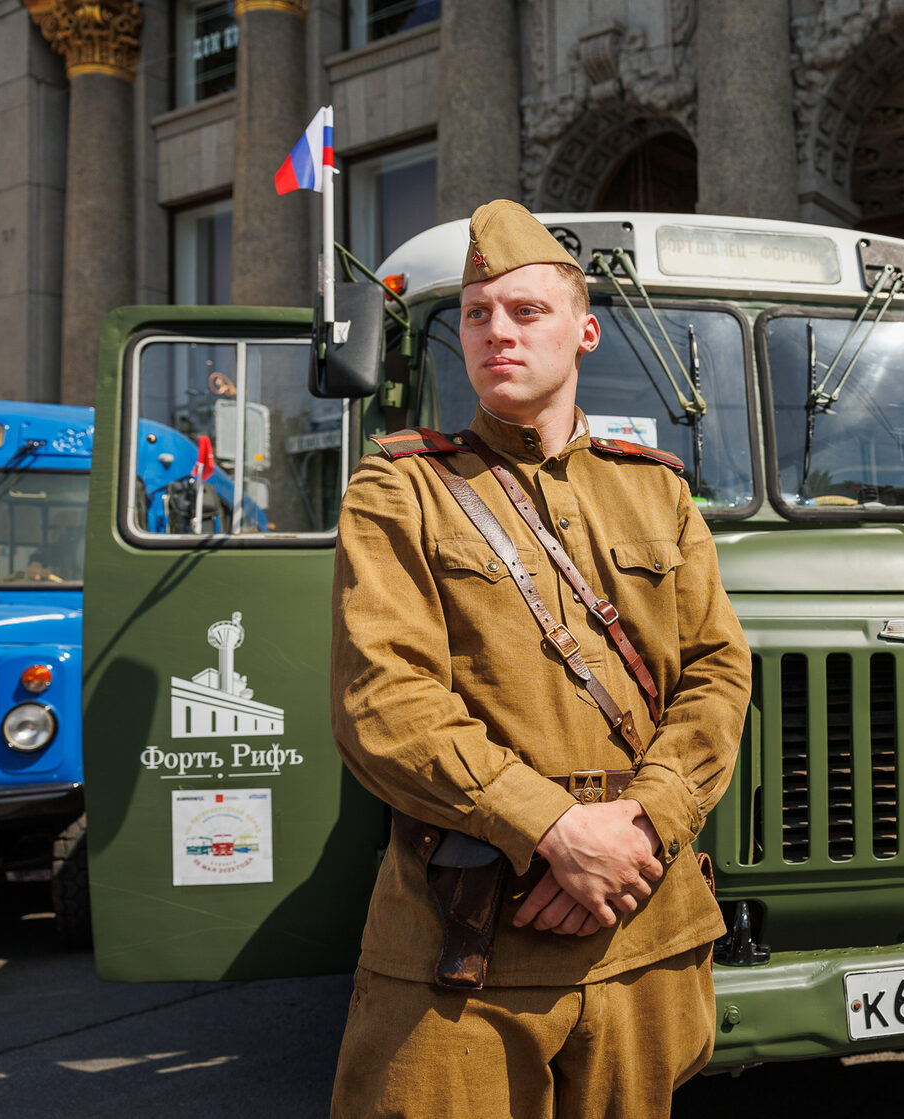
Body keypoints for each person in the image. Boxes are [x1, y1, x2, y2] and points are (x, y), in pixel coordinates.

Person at [328, 199, 752, 1118]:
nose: (496, 333)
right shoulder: (399, 490)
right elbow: (384, 702)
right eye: (478, 315)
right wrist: (557, 832)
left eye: (526, 311)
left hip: (643, 923)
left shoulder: (658, 492)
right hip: (466, 946)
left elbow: (718, 673)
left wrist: (641, 826)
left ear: (585, 331)